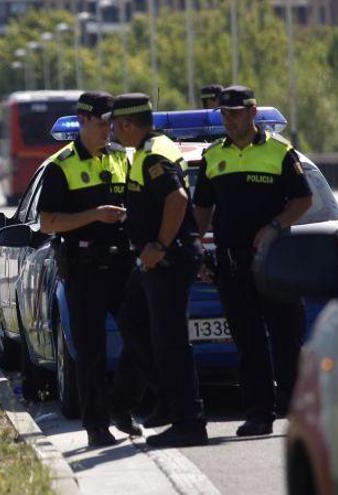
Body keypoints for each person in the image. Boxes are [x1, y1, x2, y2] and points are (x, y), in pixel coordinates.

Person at [193, 85, 312, 436]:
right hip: (232, 265)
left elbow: (302, 201)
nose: (229, 120)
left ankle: (297, 411)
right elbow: (201, 211)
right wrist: (196, 250)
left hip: (275, 263)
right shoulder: (213, 157)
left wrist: (274, 226)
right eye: (224, 114)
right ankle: (260, 414)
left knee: (287, 339)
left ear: (253, 112)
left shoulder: (280, 152)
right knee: (249, 344)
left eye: (236, 113)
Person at [37, 91, 143, 447]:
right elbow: (48, 222)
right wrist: (94, 215)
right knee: (91, 352)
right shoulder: (60, 166)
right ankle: (96, 425)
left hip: (123, 263)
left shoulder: (121, 158)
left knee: (142, 337)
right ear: (82, 121)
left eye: (112, 124)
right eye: (101, 124)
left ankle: (122, 404)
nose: (107, 131)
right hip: (83, 267)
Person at [110, 93, 209, 448]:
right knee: (132, 322)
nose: (113, 132)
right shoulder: (155, 146)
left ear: (126, 124)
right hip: (154, 258)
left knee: (171, 343)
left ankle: (189, 421)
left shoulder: (153, 154)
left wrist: (161, 244)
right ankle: (166, 399)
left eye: (114, 125)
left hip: (167, 258)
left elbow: (178, 199)